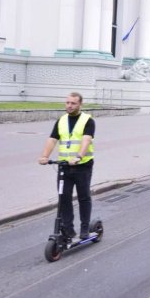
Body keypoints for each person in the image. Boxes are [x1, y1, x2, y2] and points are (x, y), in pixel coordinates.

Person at [38, 92, 95, 239]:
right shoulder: (61, 120)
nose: (69, 106)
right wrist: (45, 156)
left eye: (73, 103)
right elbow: (52, 140)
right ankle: (69, 230)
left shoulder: (87, 120)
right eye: (67, 103)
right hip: (64, 167)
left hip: (82, 165)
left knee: (83, 197)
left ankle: (84, 229)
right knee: (64, 198)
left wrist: (78, 156)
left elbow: (86, 140)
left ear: (80, 105)